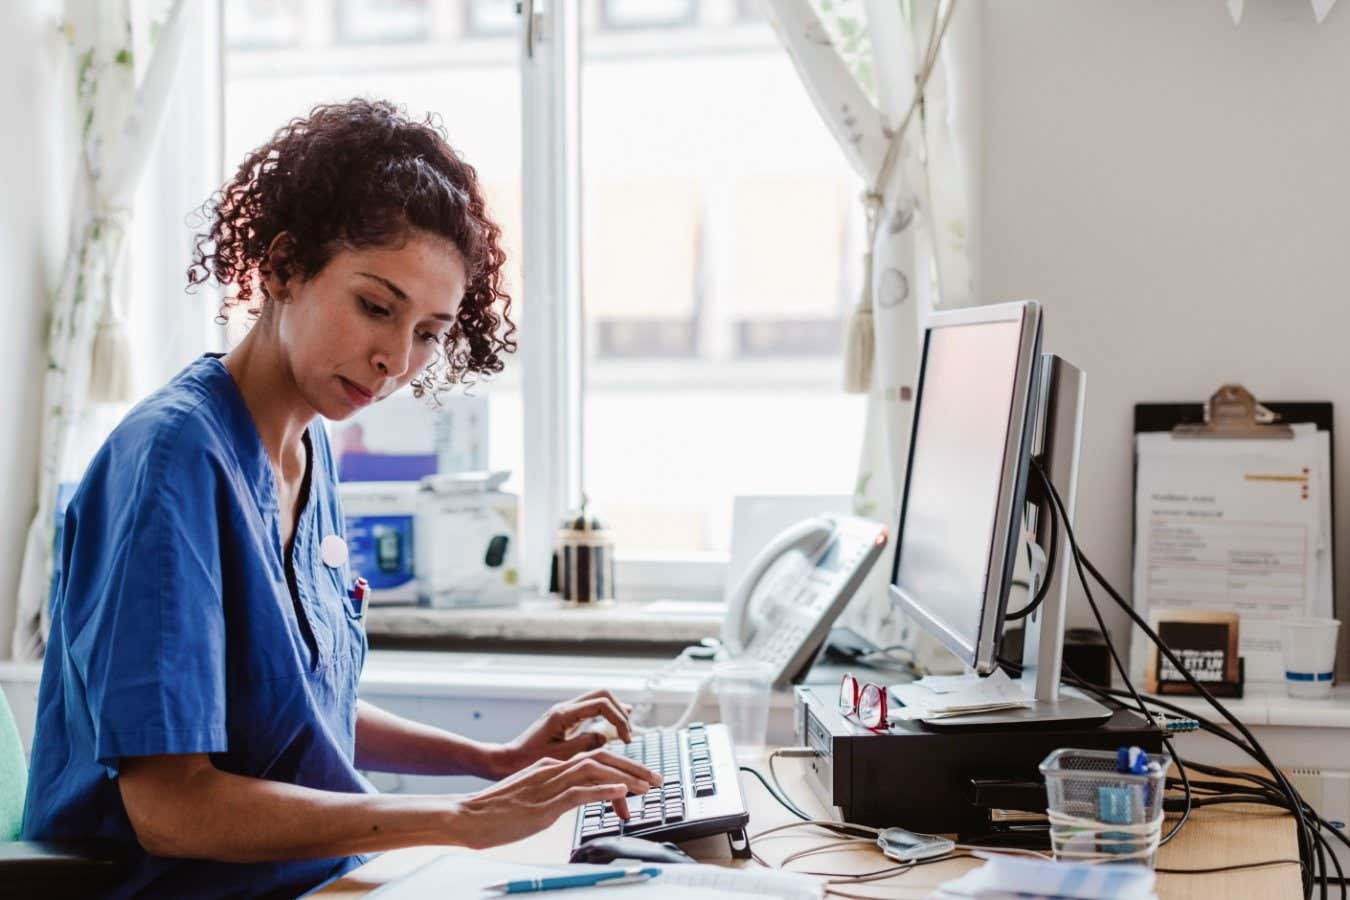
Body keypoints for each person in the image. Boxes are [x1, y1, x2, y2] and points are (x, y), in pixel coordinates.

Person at [21, 99, 660, 898]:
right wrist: (460, 816)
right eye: (375, 307)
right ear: (284, 267)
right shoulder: (173, 460)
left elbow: (291, 714)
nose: (395, 359)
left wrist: (492, 761)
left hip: (322, 882)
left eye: (429, 332)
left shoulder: (309, 444)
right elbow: (172, 810)